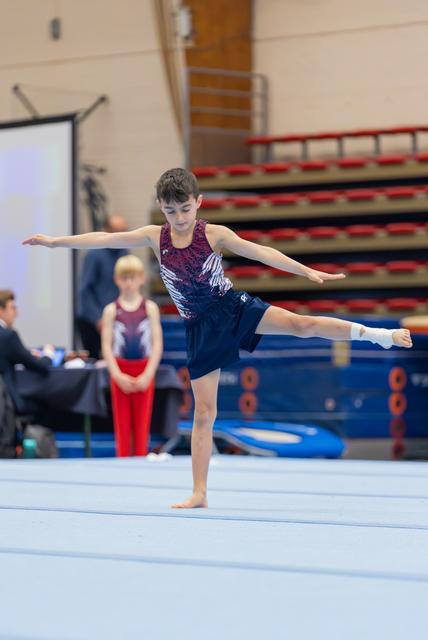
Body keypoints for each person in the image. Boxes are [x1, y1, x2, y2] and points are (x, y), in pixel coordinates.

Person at [23, 167, 413, 508]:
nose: (178, 218)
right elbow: (104, 240)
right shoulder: (152, 237)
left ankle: (378, 335)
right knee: (204, 413)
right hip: (198, 328)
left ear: (199, 202)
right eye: (171, 210)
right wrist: (55, 243)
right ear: (162, 206)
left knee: (300, 324)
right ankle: (199, 492)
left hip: (231, 308)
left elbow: (261, 252)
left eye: (185, 209)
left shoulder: (214, 234)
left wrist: (306, 272)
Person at [101, 255, 163, 457]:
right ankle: (122, 466)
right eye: (124, 278)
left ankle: (140, 466)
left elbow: (157, 345)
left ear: (142, 279)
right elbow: (107, 348)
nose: (128, 283)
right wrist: (117, 376)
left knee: (142, 427)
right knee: (123, 427)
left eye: (133, 278)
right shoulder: (111, 310)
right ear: (116, 280)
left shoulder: (150, 308)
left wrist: (148, 374)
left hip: (144, 370)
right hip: (120, 371)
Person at [77, 215, 129, 358]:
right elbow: (85, 290)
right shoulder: (94, 254)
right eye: (116, 231)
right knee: (96, 361)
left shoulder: (123, 252)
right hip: (92, 321)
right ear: (106, 230)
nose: (120, 236)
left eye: (123, 232)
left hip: (114, 319)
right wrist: (98, 319)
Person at [0, 289, 54, 414]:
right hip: (6, 403)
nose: (16, 313)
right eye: (12, 308)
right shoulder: (8, 336)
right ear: (1, 310)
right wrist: (48, 355)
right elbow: (39, 366)